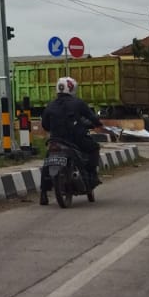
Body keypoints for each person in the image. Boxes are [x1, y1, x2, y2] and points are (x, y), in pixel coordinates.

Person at [39, 76, 105, 205]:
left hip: (56, 140)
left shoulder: (50, 105)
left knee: (47, 162)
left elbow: (45, 125)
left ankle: (43, 194)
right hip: (75, 139)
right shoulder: (78, 103)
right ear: (72, 88)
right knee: (94, 148)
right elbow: (91, 117)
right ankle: (91, 176)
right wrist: (98, 123)